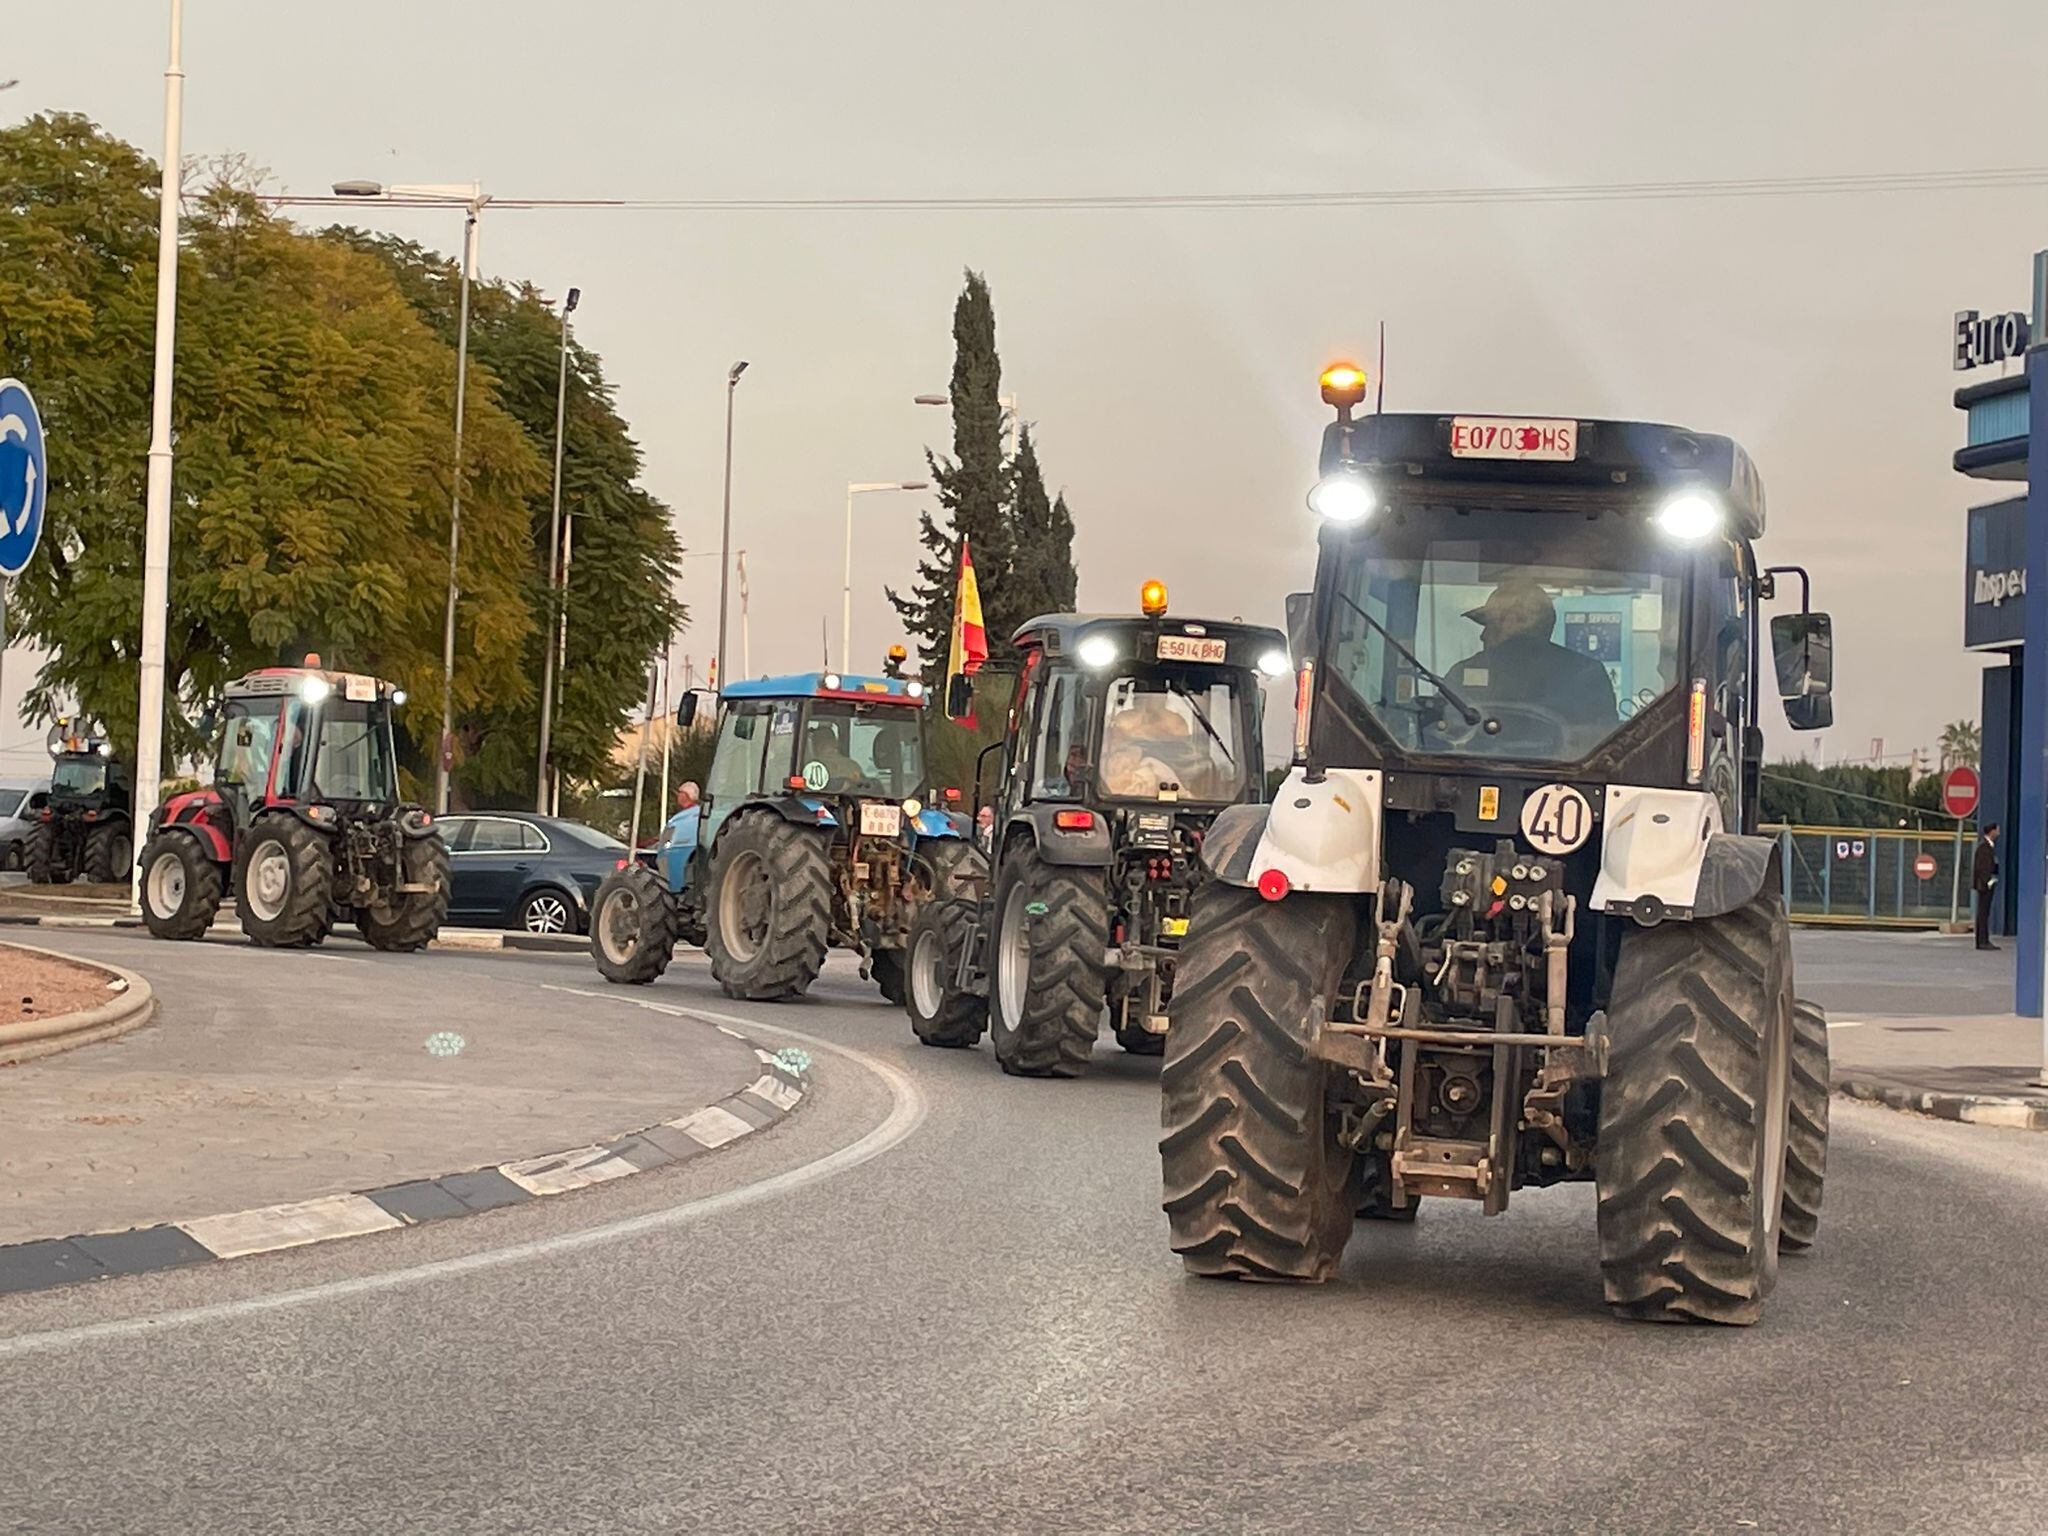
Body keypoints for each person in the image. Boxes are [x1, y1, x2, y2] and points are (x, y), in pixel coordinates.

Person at [1450, 577, 1618, 743]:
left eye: (1490, 624)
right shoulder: (1588, 673)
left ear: (1515, 621)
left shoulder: (1463, 673)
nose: (1483, 635)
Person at [659, 781, 701, 892]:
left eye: (679, 793)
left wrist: (665, 846)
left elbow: (666, 845)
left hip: (678, 859)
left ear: (684, 795)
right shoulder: (701, 815)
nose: (677, 796)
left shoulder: (680, 821)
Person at [1973, 821, 2000, 951]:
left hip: (1986, 884)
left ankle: (1983, 939)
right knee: (1983, 912)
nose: (1999, 832)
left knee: (1984, 912)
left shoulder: (1988, 846)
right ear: (1992, 831)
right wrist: (1988, 881)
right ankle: (1982, 941)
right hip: (1984, 885)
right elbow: (1982, 867)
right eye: (1997, 830)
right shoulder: (1984, 847)